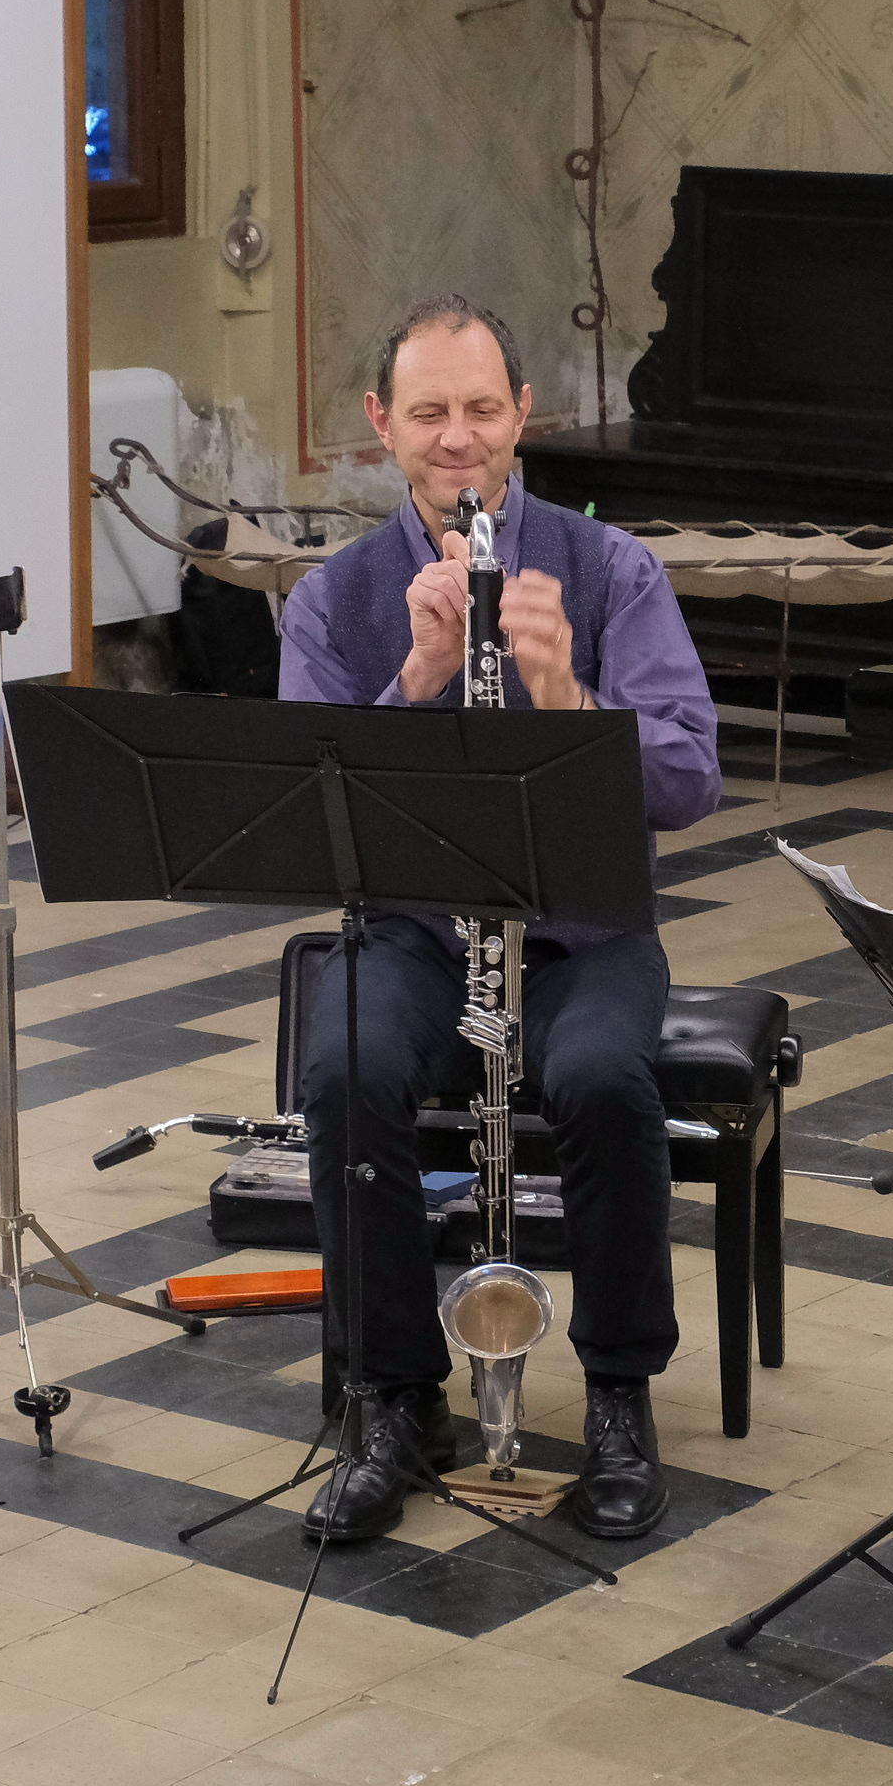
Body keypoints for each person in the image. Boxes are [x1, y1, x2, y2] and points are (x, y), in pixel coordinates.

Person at [275, 296, 722, 1545]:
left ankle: (619, 1393)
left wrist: (567, 695)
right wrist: (414, 680)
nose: (457, 437)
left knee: (601, 1078)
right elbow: (306, 823)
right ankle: (392, 1399)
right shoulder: (329, 598)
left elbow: (689, 779)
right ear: (381, 424)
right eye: (428, 412)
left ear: (522, 414)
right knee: (346, 1064)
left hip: (584, 930)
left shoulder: (611, 569)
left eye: (481, 408)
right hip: (414, 931)